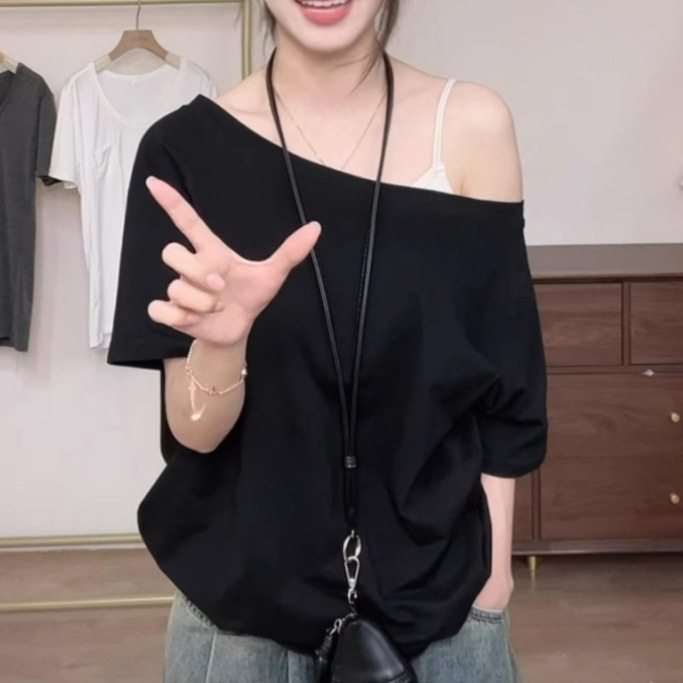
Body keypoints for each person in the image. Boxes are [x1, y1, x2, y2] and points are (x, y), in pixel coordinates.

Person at [107, 0, 548, 681]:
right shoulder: (182, 151)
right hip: (243, 612)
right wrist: (223, 343)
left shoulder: (469, 127)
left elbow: (507, 380)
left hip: (445, 607)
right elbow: (195, 432)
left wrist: (492, 583)